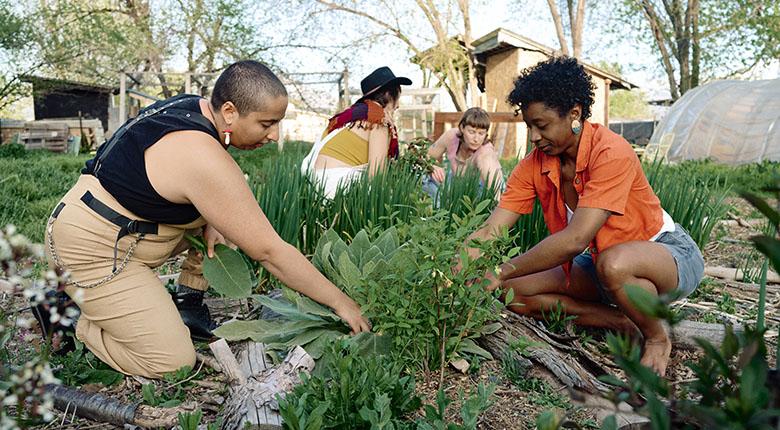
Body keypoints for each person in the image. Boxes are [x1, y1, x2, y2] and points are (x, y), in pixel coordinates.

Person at [39, 60, 370, 379]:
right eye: (266, 123)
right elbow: (270, 252)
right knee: (173, 361)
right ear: (229, 112)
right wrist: (341, 302)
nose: (273, 135)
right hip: (92, 249)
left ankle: (187, 303)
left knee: (225, 221)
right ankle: (69, 315)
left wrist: (210, 219)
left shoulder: (195, 109)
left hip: (112, 225)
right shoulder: (201, 154)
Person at [463, 57, 703, 376]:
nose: (533, 136)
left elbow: (575, 240)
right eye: (529, 126)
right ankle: (620, 321)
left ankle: (657, 338)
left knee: (615, 264)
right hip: (600, 262)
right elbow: (492, 228)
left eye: (542, 125)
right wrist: (456, 270)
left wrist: (500, 269)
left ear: (574, 114)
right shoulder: (534, 165)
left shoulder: (610, 151)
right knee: (514, 292)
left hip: (665, 255)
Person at [301, 66, 411, 198]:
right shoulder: (377, 119)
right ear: (388, 94)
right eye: (397, 97)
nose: (398, 105)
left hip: (311, 183)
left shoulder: (349, 116)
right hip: (336, 186)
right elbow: (376, 176)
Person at [423, 107, 504, 200]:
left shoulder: (485, 155)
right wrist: (432, 166)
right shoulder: (451, 137)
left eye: (481, 133)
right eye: (472, 132)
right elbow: (425, 155)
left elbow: (497, 194)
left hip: (482, 191)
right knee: (427, 179)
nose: (476, 139)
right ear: (462, 128)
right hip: (457, 183)